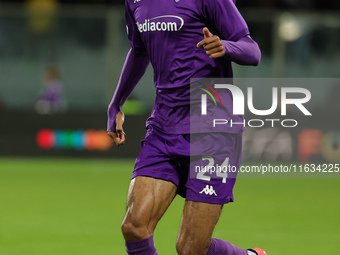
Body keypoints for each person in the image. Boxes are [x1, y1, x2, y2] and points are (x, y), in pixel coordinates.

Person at [107, 0, 265, 254]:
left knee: (191, 248)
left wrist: (226, 46)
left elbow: (252, 50)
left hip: (213, 130)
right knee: (134, 227)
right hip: (163, 126)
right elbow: (138, 51)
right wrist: (116, 103)